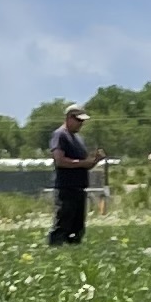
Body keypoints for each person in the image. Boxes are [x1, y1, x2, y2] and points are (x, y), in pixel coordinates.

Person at [47, 103, 96, 244]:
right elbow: (60, 160)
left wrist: (93, 161)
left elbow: (83, 164)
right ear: (69, 118)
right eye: (79, 120)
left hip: (79, 188)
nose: (81, 124)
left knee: (77, 228)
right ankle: (55, 251)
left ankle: (73, 255)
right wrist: (83, 163)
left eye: (83, 121)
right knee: (62, 225)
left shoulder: (78, 139)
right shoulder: (60, 135)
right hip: (66, 188)